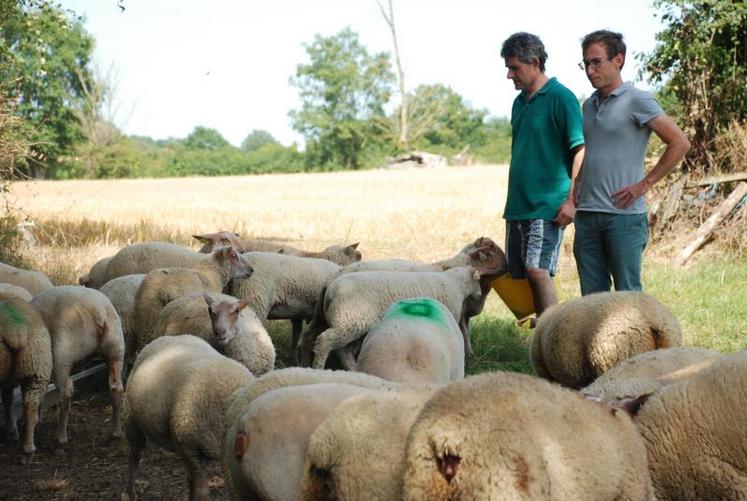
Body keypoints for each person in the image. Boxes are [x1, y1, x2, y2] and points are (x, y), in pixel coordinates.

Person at [574, 30, 690, 295]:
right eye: (586, 64)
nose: (590, 70)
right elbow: (592, 149)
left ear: (618, 60)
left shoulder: (638, 100)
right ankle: (598, 339)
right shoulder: (588, 105)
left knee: (628, 295)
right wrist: (578, 184)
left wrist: (644, 185)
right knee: (592, 297)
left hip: (624, 216)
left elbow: (680, 143)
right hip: (588, 214)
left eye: (596, 62)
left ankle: (636, 338)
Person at [500, 32, 585, 320]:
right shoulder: (518, 103)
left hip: (548, 205)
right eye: (508, 68)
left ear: (534, 62)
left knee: (538, 270)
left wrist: (572, 201)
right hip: (518, 205)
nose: (510, 75)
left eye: (515, 68)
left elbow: (580, 150)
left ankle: (554, 342)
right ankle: (536, 336)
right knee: (521, 272)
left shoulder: (561, 98)